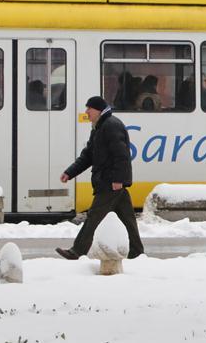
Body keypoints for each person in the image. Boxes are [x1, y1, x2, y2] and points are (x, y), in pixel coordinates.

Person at [56, 96, 144, 260]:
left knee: (94, 217)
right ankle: (137, 251)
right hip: (109, 180)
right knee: (128, 219)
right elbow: (88, 155)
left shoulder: (111, 126)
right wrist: (70, 172)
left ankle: (77, 251)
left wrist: (118, 179)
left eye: (89, 108)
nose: (86, 112)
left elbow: (122, 155)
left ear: (98, 110)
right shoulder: (99, 127)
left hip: (110, 181)